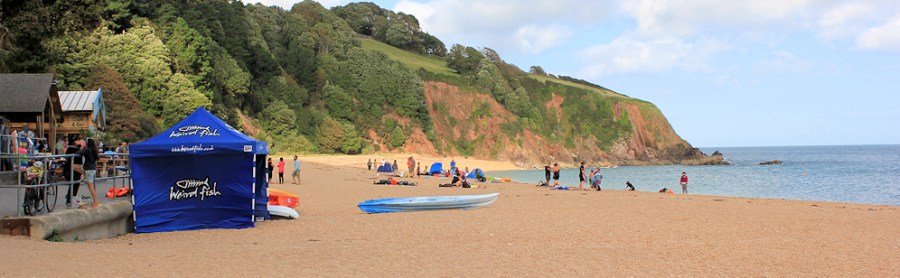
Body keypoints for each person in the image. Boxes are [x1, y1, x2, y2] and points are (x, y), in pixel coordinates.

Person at [78, 138, 101, 208]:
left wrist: (81, 147)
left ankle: (96, 201)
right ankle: (94, 201)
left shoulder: (87, 150)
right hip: (92, 168)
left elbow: (80, 153)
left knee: (90, 186)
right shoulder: (94, 150)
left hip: (88, 169)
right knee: (90, 185)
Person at [63, 137, 83, 207]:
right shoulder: (72, 149)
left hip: (72, 170)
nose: (80, 141)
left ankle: (70, 199)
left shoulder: (70, 148)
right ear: (74, 142)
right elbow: (79, 152)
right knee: (75, 184)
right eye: (78, 140)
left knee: (74, 185)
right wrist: (80, 146)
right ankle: (71, 200)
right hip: (72, 169)